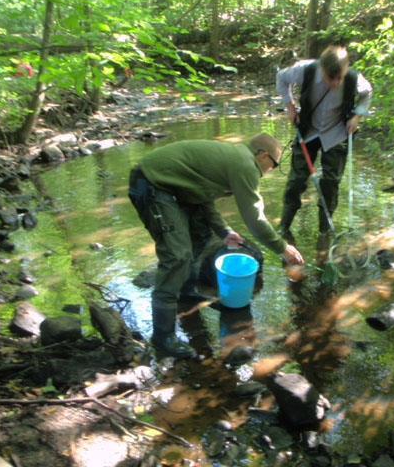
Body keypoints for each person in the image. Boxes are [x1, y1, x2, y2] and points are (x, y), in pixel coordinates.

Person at [128, 134, 304, 359]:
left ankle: (186, 293)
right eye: (274, 164)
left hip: (172, 189)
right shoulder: (245, 164)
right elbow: (254, 218)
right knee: (177, 256)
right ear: (262, 155)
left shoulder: (234, 158)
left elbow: (202, 197)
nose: (272, 169)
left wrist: (224, 232)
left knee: (200, 237)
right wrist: (283, 248)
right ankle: (163, 338)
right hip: (152, 184)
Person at [276, 45, 373, 239]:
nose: (336, 83)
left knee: (331, 182)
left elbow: (367, 93)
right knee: (296, 181)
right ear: (322, 69)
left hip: (337, 132)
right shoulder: (305, 70)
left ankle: (324, 232)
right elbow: (281, 78)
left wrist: (357, 117)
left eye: (340, 78)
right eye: (331, 78)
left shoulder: (354, 79)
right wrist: (290, 106)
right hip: (308, 131)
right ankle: (284, 228)